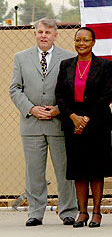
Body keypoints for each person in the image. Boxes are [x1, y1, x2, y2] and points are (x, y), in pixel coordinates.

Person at [9, 17, 77, 226]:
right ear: (35, 34)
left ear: (56, 35)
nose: (44, 36)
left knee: (65, 170)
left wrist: (59, 109)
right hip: (31, 124)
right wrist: (31, 108)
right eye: (40, 32)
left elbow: (73, 89)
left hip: (58, 123)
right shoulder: (20, 58)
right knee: (34, 171)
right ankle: (35, 212)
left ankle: (68, 211)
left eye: (48, 32)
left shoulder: (69, 57)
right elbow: (15, 89)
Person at [55, 27, 112, 228]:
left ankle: (96, 212)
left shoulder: (105, 66)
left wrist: (86, 118)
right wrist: (73, 117)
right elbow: (60, 95)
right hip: (73, 123)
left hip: (97, 122)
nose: (81, 44)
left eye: (86, 40)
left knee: (96, 170)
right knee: (78, 170)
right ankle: (82, 212)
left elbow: (106, 95)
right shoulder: (66, 65)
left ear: (93, 42)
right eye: (78, 40)